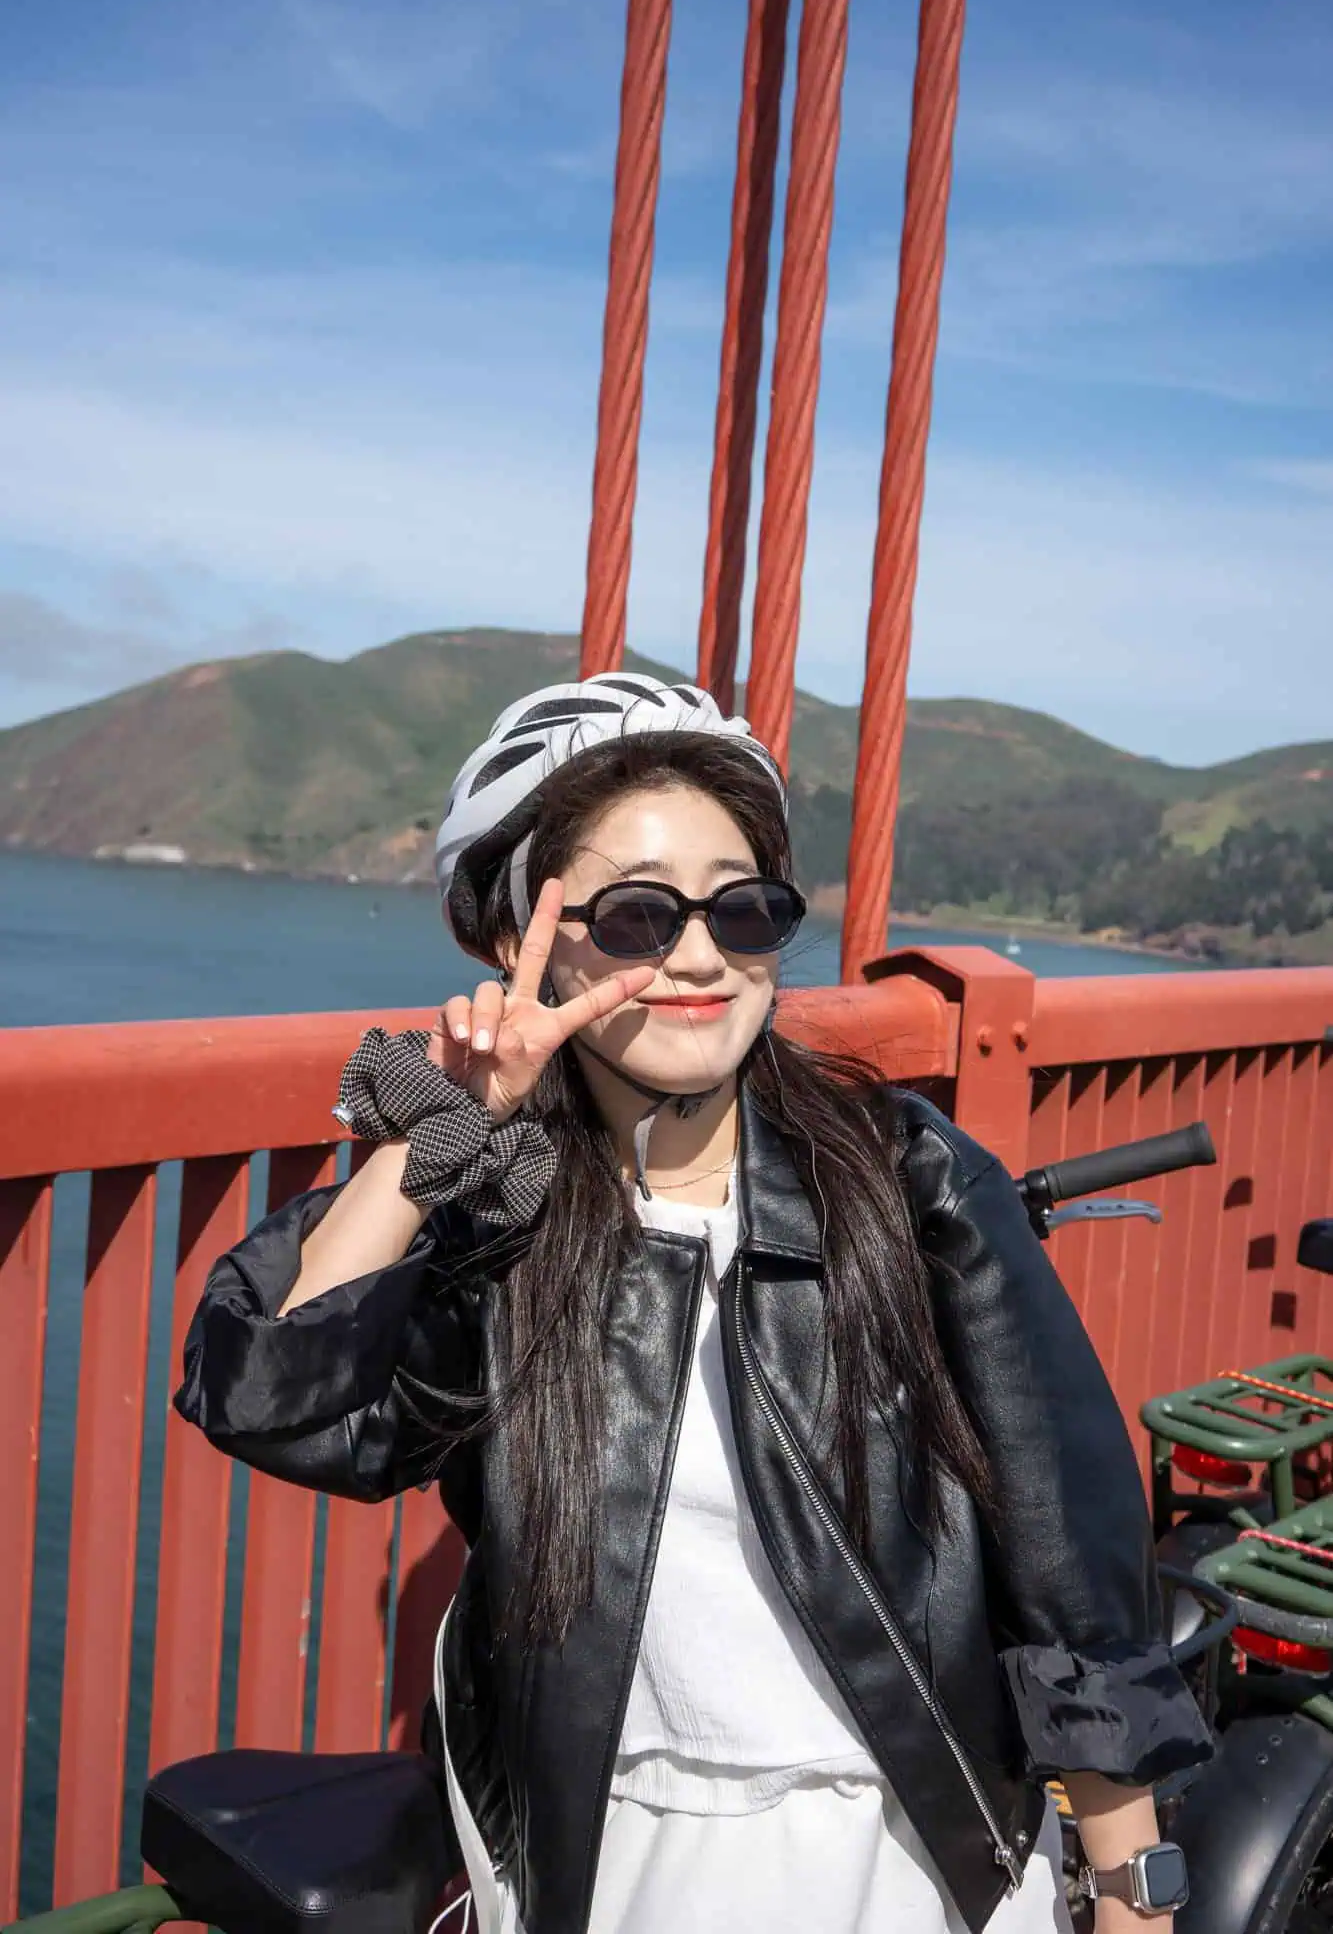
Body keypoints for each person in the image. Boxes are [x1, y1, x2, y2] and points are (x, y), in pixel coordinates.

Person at [177, 673, 1211, 1934]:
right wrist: (438, 1129)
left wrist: (1131, 1889)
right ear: (515, 939)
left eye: (744, 906)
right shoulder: (499, 1215)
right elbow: (271, 1400)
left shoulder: (904, 1179)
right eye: (635, 914)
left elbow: (1069, 1559)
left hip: (911, 1853)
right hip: (605, 1856)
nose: (702, 954)